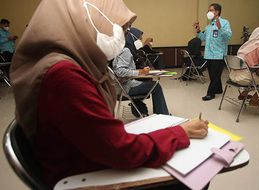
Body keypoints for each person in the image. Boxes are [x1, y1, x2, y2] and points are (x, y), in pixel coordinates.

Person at [10, 0, 209, 188]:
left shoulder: (66, 63)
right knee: (198, 177)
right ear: (88, 21)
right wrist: (181, 131)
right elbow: (121, 150)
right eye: (121, 28)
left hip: (86, 161)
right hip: (85, 177)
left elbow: (101, 139)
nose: (123, 35)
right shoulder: (64, 75)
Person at [112, 45, 169, 116]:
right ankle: (163, 115)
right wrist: (140, 72)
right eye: (139, 38)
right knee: (156, 86)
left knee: (147, 83)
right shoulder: (125, 50)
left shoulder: (115, 50)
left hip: (118, 87)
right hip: (126, 87)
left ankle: (139, 110)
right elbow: (120, 71)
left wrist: (140, 72)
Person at [230, 27, 259, 107]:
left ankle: (243, 94)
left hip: (233, 76)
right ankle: (255, 99)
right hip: (245, 78)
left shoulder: (245, 45)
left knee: (256, 76)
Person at [194, 3, 232, 101]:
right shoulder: (209, 26)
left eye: (211, 10)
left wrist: (220, 28)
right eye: (209, 10)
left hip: (219, 54)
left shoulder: (224, 23)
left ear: (217, 12)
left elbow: (228, 36)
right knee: (213, 75)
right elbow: (203, 38)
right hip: (209, 54)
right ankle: (218, 89)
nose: (208, 12)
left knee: (215, 75)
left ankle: (210, 93)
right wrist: (198, 31)